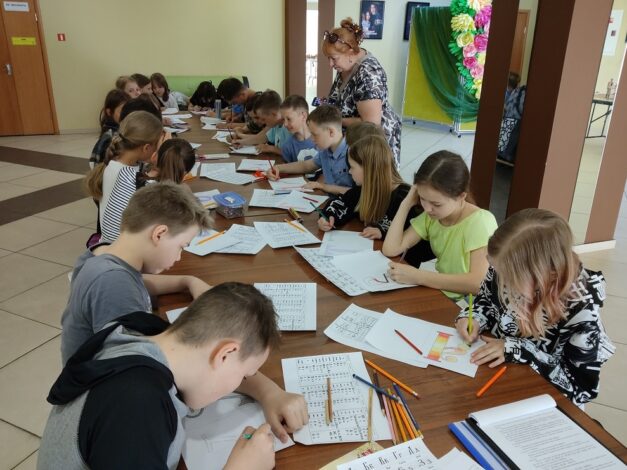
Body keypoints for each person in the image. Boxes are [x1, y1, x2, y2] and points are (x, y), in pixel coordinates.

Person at [41, 282, 308, 469]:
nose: (244, 381)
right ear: (225, 354)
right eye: (244, 374)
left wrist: (269, 392)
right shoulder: (136, 408)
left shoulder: (147, 330)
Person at [456, 209, 615, 406]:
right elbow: (485, 299)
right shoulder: (505, 265)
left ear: (544, 275)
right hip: (498, 372)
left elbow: (580, 390)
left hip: (544, 398)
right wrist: (473, 317)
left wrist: (520, 349)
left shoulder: (582, 312)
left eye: (509, 277)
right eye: (495, 269)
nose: (500, 279)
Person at [60, 182, 213, 364]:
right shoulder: (113, 283)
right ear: (159, 234)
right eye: (182, 246)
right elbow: (135, 361)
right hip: (104, 376)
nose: (179, 257)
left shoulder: (101, 254)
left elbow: (138, 281)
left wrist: (188, 281)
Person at [382, 151, 497, 300]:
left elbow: (478, 283)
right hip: (445, 295)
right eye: (422, 198)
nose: (427, 208)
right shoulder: (431, 217)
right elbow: (391, 249)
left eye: (436, 204)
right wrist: (406, 204)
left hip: (472, 306)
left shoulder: (480, 222)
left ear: (461, 196)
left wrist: (418, 276)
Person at [322, 18, 402, 167]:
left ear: (350, 52)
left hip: (371, 145)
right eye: (328, 58)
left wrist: (334, 120)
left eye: (333, 58)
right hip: (352, 143)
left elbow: (371, 124)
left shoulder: (368, 73)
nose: (330, 64)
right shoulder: (346, 65)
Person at [85, 111, 164, 242]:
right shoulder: (127, 177)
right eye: (157, 146)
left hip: (114, 242)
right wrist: (162, 157)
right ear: (146, 148)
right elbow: (161, 199)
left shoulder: (114, 163)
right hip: (121, 248)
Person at [266, 105, 353, 195]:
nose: (312, 139)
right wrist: (278, 168)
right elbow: (306, 166)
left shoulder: (352, 153)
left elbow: (356, 193)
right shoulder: (325, 151)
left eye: (315, 135)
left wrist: (322, 186)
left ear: (331, 132)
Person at [279, 95, 318, 178]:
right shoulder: (287, 147)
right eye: (283, 119)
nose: (285, 124)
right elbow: (288, 175)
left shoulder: (322, 140)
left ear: (303, 116)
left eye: (289, 119)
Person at [89, 89, 128, 169]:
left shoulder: (119, 129)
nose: (127, 114)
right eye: (122, 111)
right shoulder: (110, 138)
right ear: (109, 112)